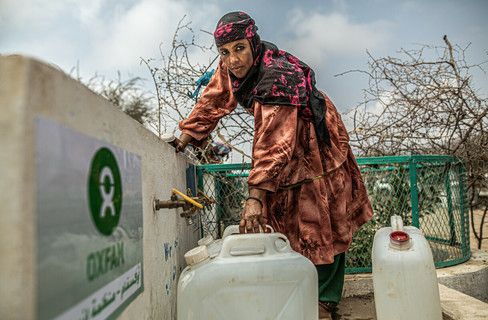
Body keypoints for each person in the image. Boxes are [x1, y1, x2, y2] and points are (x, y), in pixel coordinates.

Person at [176, 11, 373, 319]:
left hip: (316, 143)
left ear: (253, 42)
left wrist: (254, 197)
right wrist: (183, 140)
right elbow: (213, 100)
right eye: (224, 52)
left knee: (323, 220)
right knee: (286, 219)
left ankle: (324, 300)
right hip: (283, 144)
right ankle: (296, 288)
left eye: (239, 48)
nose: (233, 59)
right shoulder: (232, 69)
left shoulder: (277, 75)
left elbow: (273, 143)